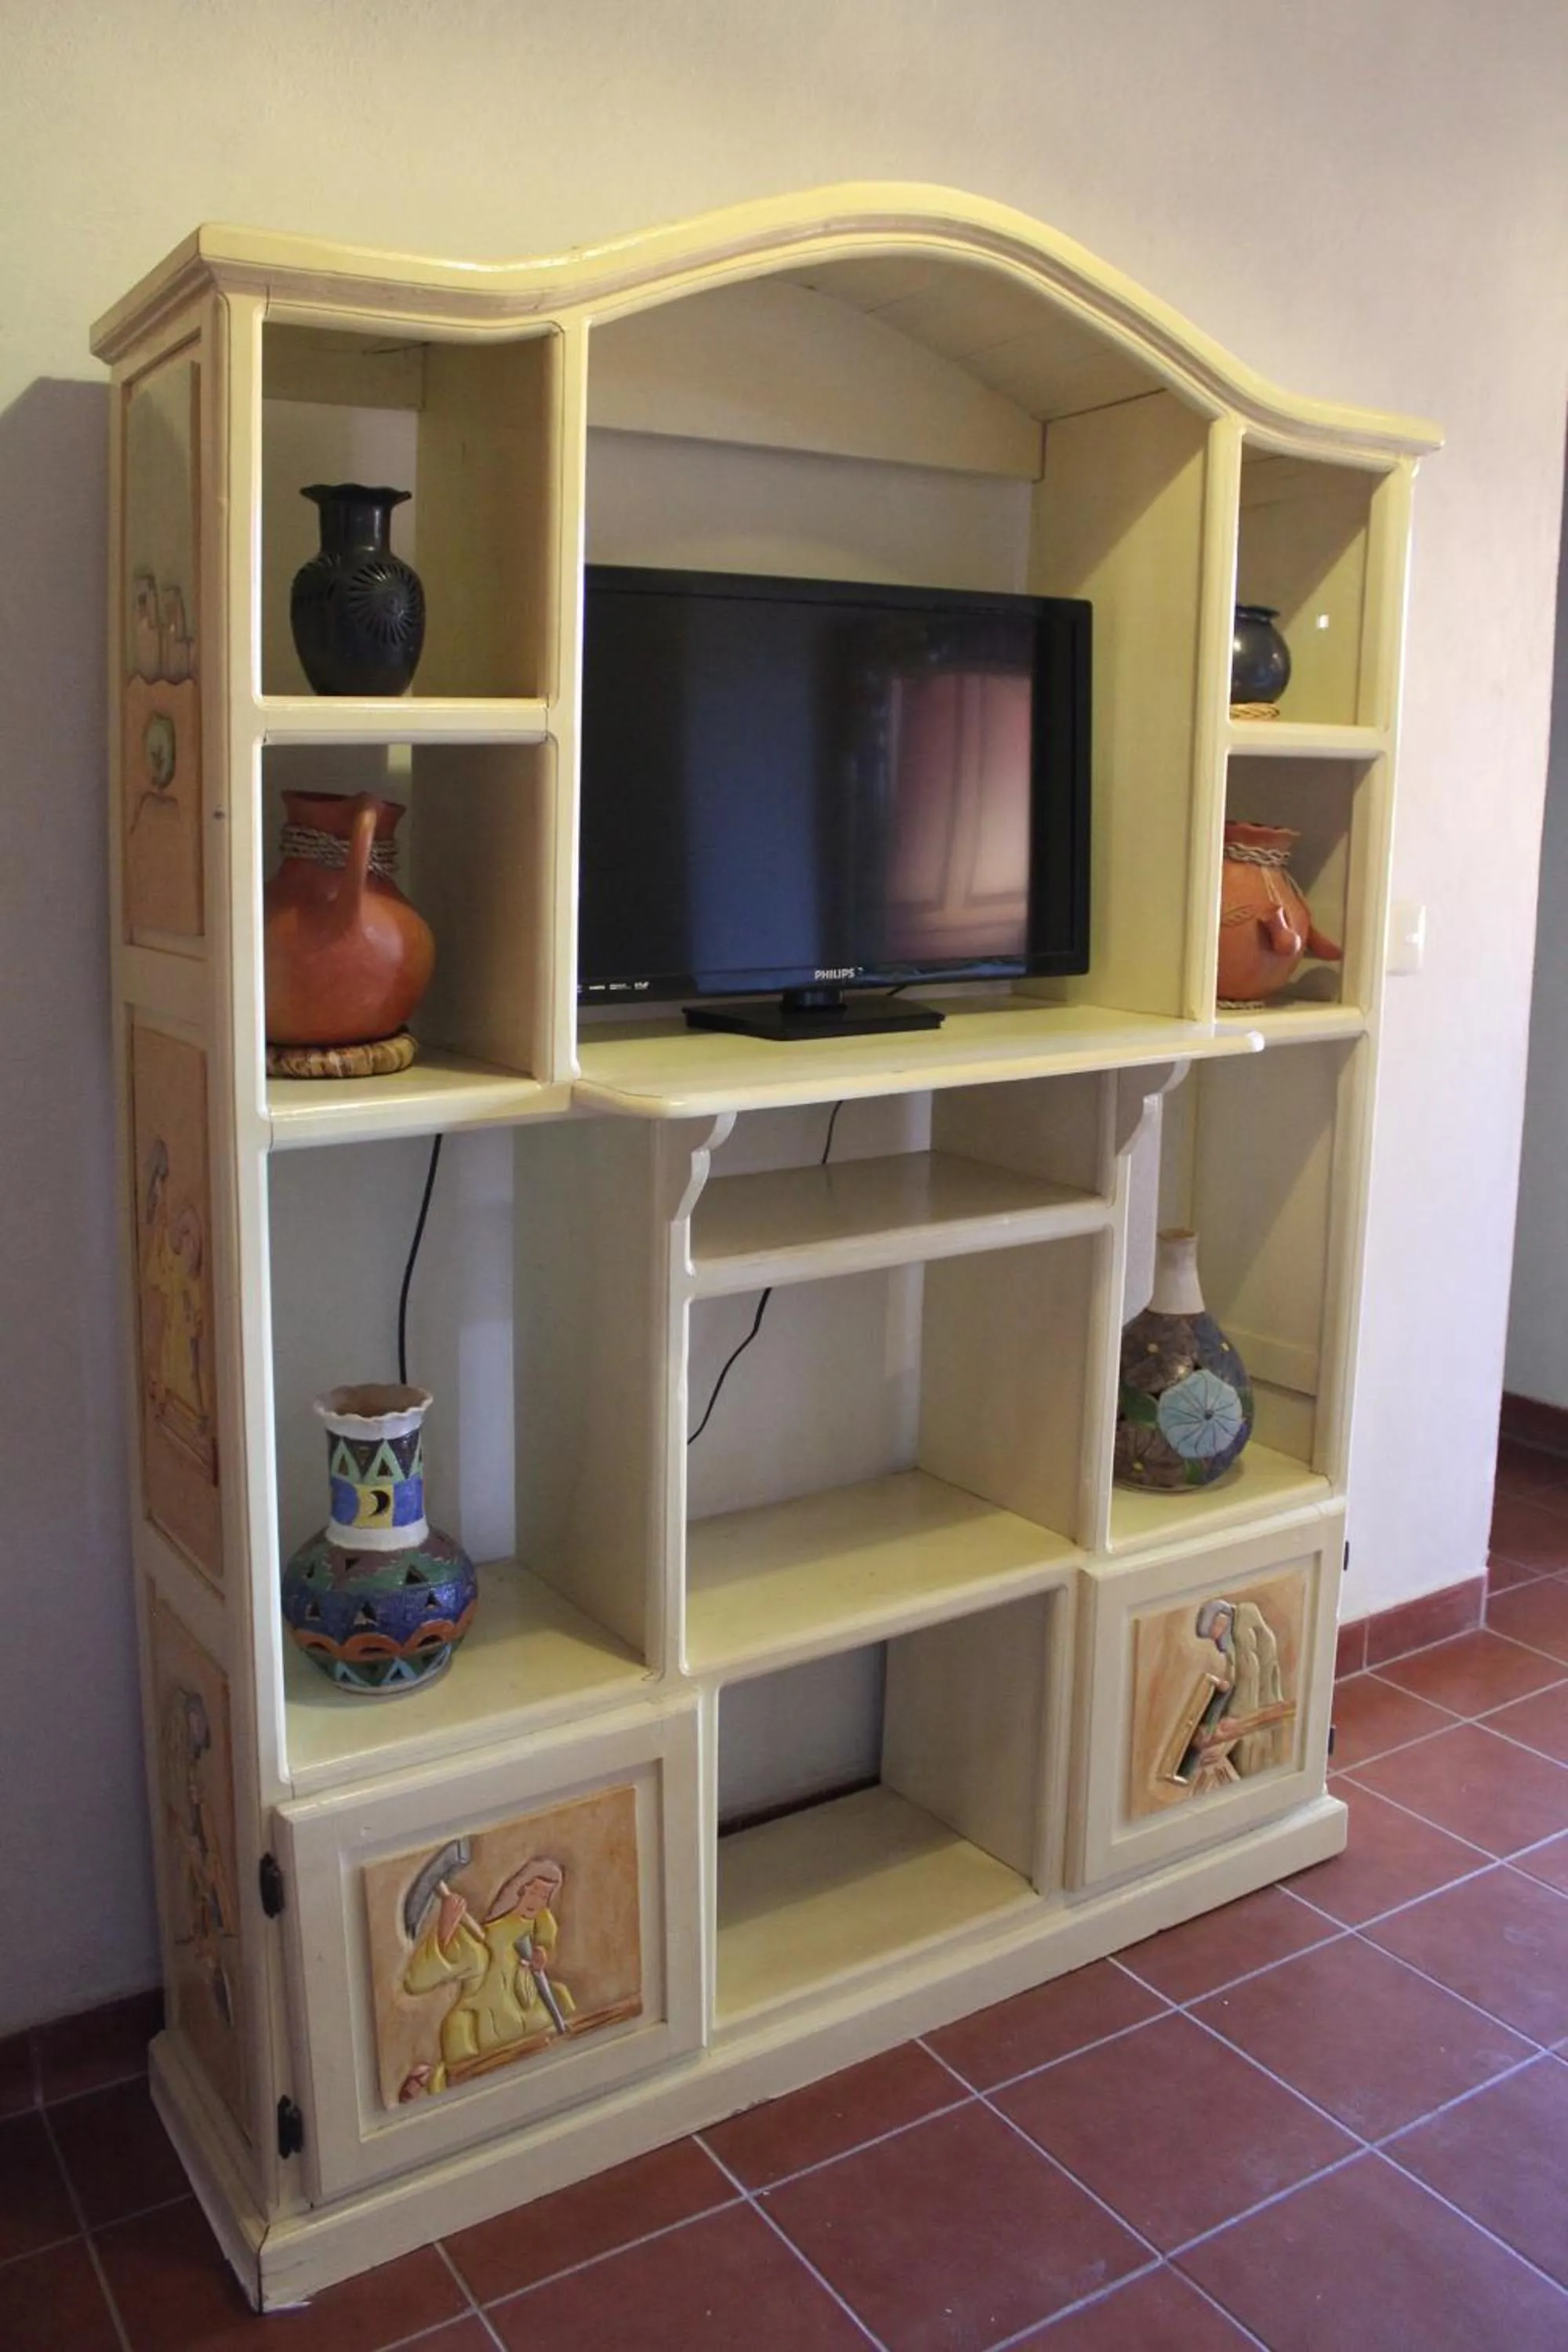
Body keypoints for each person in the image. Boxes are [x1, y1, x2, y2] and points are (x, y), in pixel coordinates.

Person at [398, 1856, 574, 2099]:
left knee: (560, 2003)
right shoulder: (483, 1943)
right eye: (534, 1893)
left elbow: (546, 1934)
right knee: (464, 2041)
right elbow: (415, 1981)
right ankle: (427, 2085)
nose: (537, 1902)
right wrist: (446, 1928)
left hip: (529, 2010)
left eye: (545, 1896)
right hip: (488, 2022)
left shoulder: (537, 1922)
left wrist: (541, 1953)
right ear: (519, 1890)